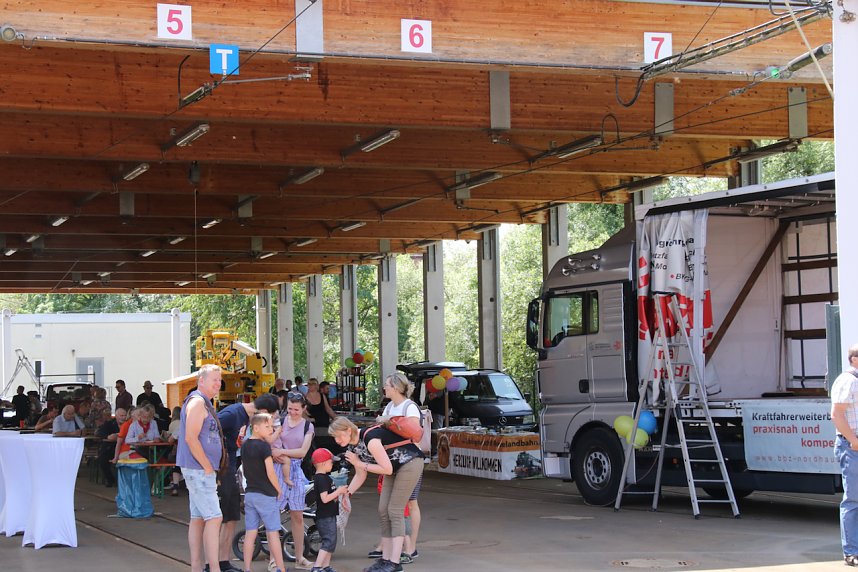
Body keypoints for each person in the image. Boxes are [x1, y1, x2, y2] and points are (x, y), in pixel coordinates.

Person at [330, 375, 425, 572]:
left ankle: (394, 562)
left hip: (409, 463)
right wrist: (347, 494)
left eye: (338, 437)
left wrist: (360, 464)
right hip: (395, 466)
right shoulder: (355, 446)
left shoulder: (370, 438)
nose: (338, 442)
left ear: (348, 430)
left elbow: (385, 469)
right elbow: (360, 474)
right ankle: (385, 558)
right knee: (383, 510)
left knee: (395, 511)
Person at [213, 393, 280, 572]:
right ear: (263, 412)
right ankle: (212, 564)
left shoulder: (248, 422)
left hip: (231, 468)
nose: (270, 424)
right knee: (219, 517)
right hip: (220, 469)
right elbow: (207, 431)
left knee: (232, 515)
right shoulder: (232, 414)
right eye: (269, 420)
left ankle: (224, 561)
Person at [176, 365, 226, 572]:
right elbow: (190, 438)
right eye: (214, 379)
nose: (218, 383)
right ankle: (213, 568)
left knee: (198, 519)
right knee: (215, 517)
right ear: (201, 380)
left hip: (198, 470)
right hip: (199, 470)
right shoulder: (197, 403)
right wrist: (207, 467)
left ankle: (197, 567)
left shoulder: (204, 403)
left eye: (219, 379)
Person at [374, 373, 424, 564]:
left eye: (386, 385)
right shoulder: (390, 406)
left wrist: (387, 421)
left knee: (410, 503)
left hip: (409, 460)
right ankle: (397, 547)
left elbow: (413, 431)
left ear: (395, 387)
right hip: (393, 461)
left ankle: (410, 547)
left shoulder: (409, 407)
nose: (384, 388)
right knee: (393, 507)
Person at [270, 393, 315, 570]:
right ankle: (274, 558)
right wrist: (281, 453)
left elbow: (303, 452)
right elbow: (272, 445)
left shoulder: (307, 426)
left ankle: (299, 557)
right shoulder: (280, 422)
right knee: (273, 513)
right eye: (289, 409)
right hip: (277, 469)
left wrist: (283, 453)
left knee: (297, 515)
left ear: (304, 409)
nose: (293, 412)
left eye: (296, 409)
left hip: (296, 470)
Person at [240, 412, 286, 572]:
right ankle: (280, 568)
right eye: (267, 427)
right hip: (266, 494)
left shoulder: (245, 445)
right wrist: (279, 489)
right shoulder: (264, 446)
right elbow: (270, 471)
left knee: (250, 533)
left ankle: (247, 568)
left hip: (250, 494)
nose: (271, 430)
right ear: (256, 427)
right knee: (273, 532)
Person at [832, 343, 858, 566]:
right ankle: (851, 551)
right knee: (853, 499)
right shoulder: (847, 380)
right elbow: (837, 414)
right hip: (852, 448)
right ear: (855, 359)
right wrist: (854, 441)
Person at [310, 447, 349, 572]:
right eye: (331, 461)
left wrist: (339, 496)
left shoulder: (325, 478)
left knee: (331, 541)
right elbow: (325, 498)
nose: (332, 464)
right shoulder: (321, 479)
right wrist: (338, 491)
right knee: (328, 541)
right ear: (323, 463)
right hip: (324, 516)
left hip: (329, 514)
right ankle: (317, 567)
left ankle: (325, 566)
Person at [96, 407, 127, 487]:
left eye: (124, 416)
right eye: (121, 416)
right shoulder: (109, 424)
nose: (123, 418)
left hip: (125, 448)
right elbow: (100, 433)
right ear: (116, 416)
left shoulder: (129, 424)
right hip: (111, 447)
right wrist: (108, 436)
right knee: (102, 459)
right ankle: (111, 480)